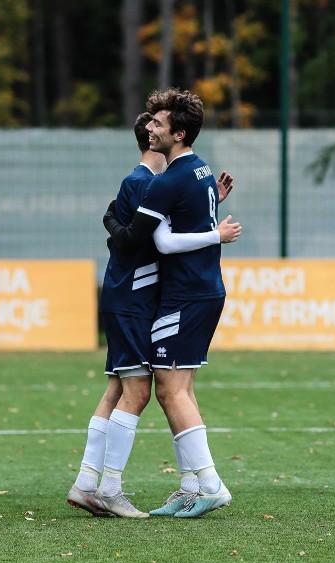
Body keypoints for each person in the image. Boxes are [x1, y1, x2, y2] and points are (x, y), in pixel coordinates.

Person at [67, 112, 241, 518]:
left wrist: (206, 201)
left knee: (122, 390)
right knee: (141, 391)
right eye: (154, 127)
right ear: (151, 138)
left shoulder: (162, 181)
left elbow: (142, 224)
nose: (155, 130)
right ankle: (108, 488)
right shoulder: (146, 183)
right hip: (132, 299)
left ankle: (89, 483)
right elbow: (139, 240)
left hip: (140, 299)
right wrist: (212, 228)